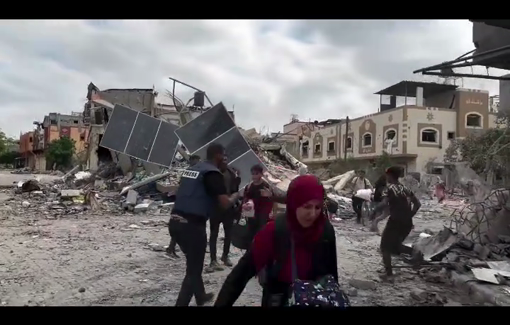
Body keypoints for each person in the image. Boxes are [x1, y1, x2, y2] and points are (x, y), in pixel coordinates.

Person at [214, 175, 340, 307]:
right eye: (307, 207)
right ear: (293, 203)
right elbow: (239, 276)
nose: (313, 214)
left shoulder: (324, 230)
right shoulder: (273, 231)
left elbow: (332, 277)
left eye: (317, 207)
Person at [169, 144, 240, 306]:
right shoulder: (212, 174)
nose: (226, 159)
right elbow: (225, 203)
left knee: (194, 262)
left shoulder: (194, 169)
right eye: (224, 156)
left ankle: (200, 296)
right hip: (192, 226)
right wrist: (236, 195)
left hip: (174, 222)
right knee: (193, 270)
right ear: (218, 156)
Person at [370, 166, 421, 281]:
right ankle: (415, 253)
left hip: (395, 222)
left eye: (387, 175)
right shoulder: (406, 189)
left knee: (385, 247)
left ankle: (389, 274)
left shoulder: (389, 189)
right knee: (395, 247)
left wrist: (374, 211)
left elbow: (384, 203)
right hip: (407, 223)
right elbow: (417, 204)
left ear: (390, 175)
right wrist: (409, 215)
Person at [207, 156, 241, 271]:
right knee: (213, 235)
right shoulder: (213, 174)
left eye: (227, 160)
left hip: (228, 209)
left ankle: (225, 256)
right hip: (216, 209)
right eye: (223, 160)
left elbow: (235, 189)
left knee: (228, 234)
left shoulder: (231, 174)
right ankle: (213, 259)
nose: (225, 162)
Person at [166, 154, 201, 258]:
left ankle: (172, 248)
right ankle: (173, 248)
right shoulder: (194, 172)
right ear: (194, 160)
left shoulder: (187, 171)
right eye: (197, 160)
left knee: (180, 226)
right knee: (181, 226)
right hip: (187, 203)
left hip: (183, 202)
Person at [242, 164, 285, 241]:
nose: (254, 176)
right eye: (253, 174)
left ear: (261, 174)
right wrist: (245, 206)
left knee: (262, 236)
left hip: (263, 216)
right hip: (251, 216)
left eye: (256, 174)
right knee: (251, 236)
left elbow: (274, 200)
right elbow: (245, 199)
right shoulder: (249, 186)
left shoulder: (266, 186)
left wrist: (274, 214)